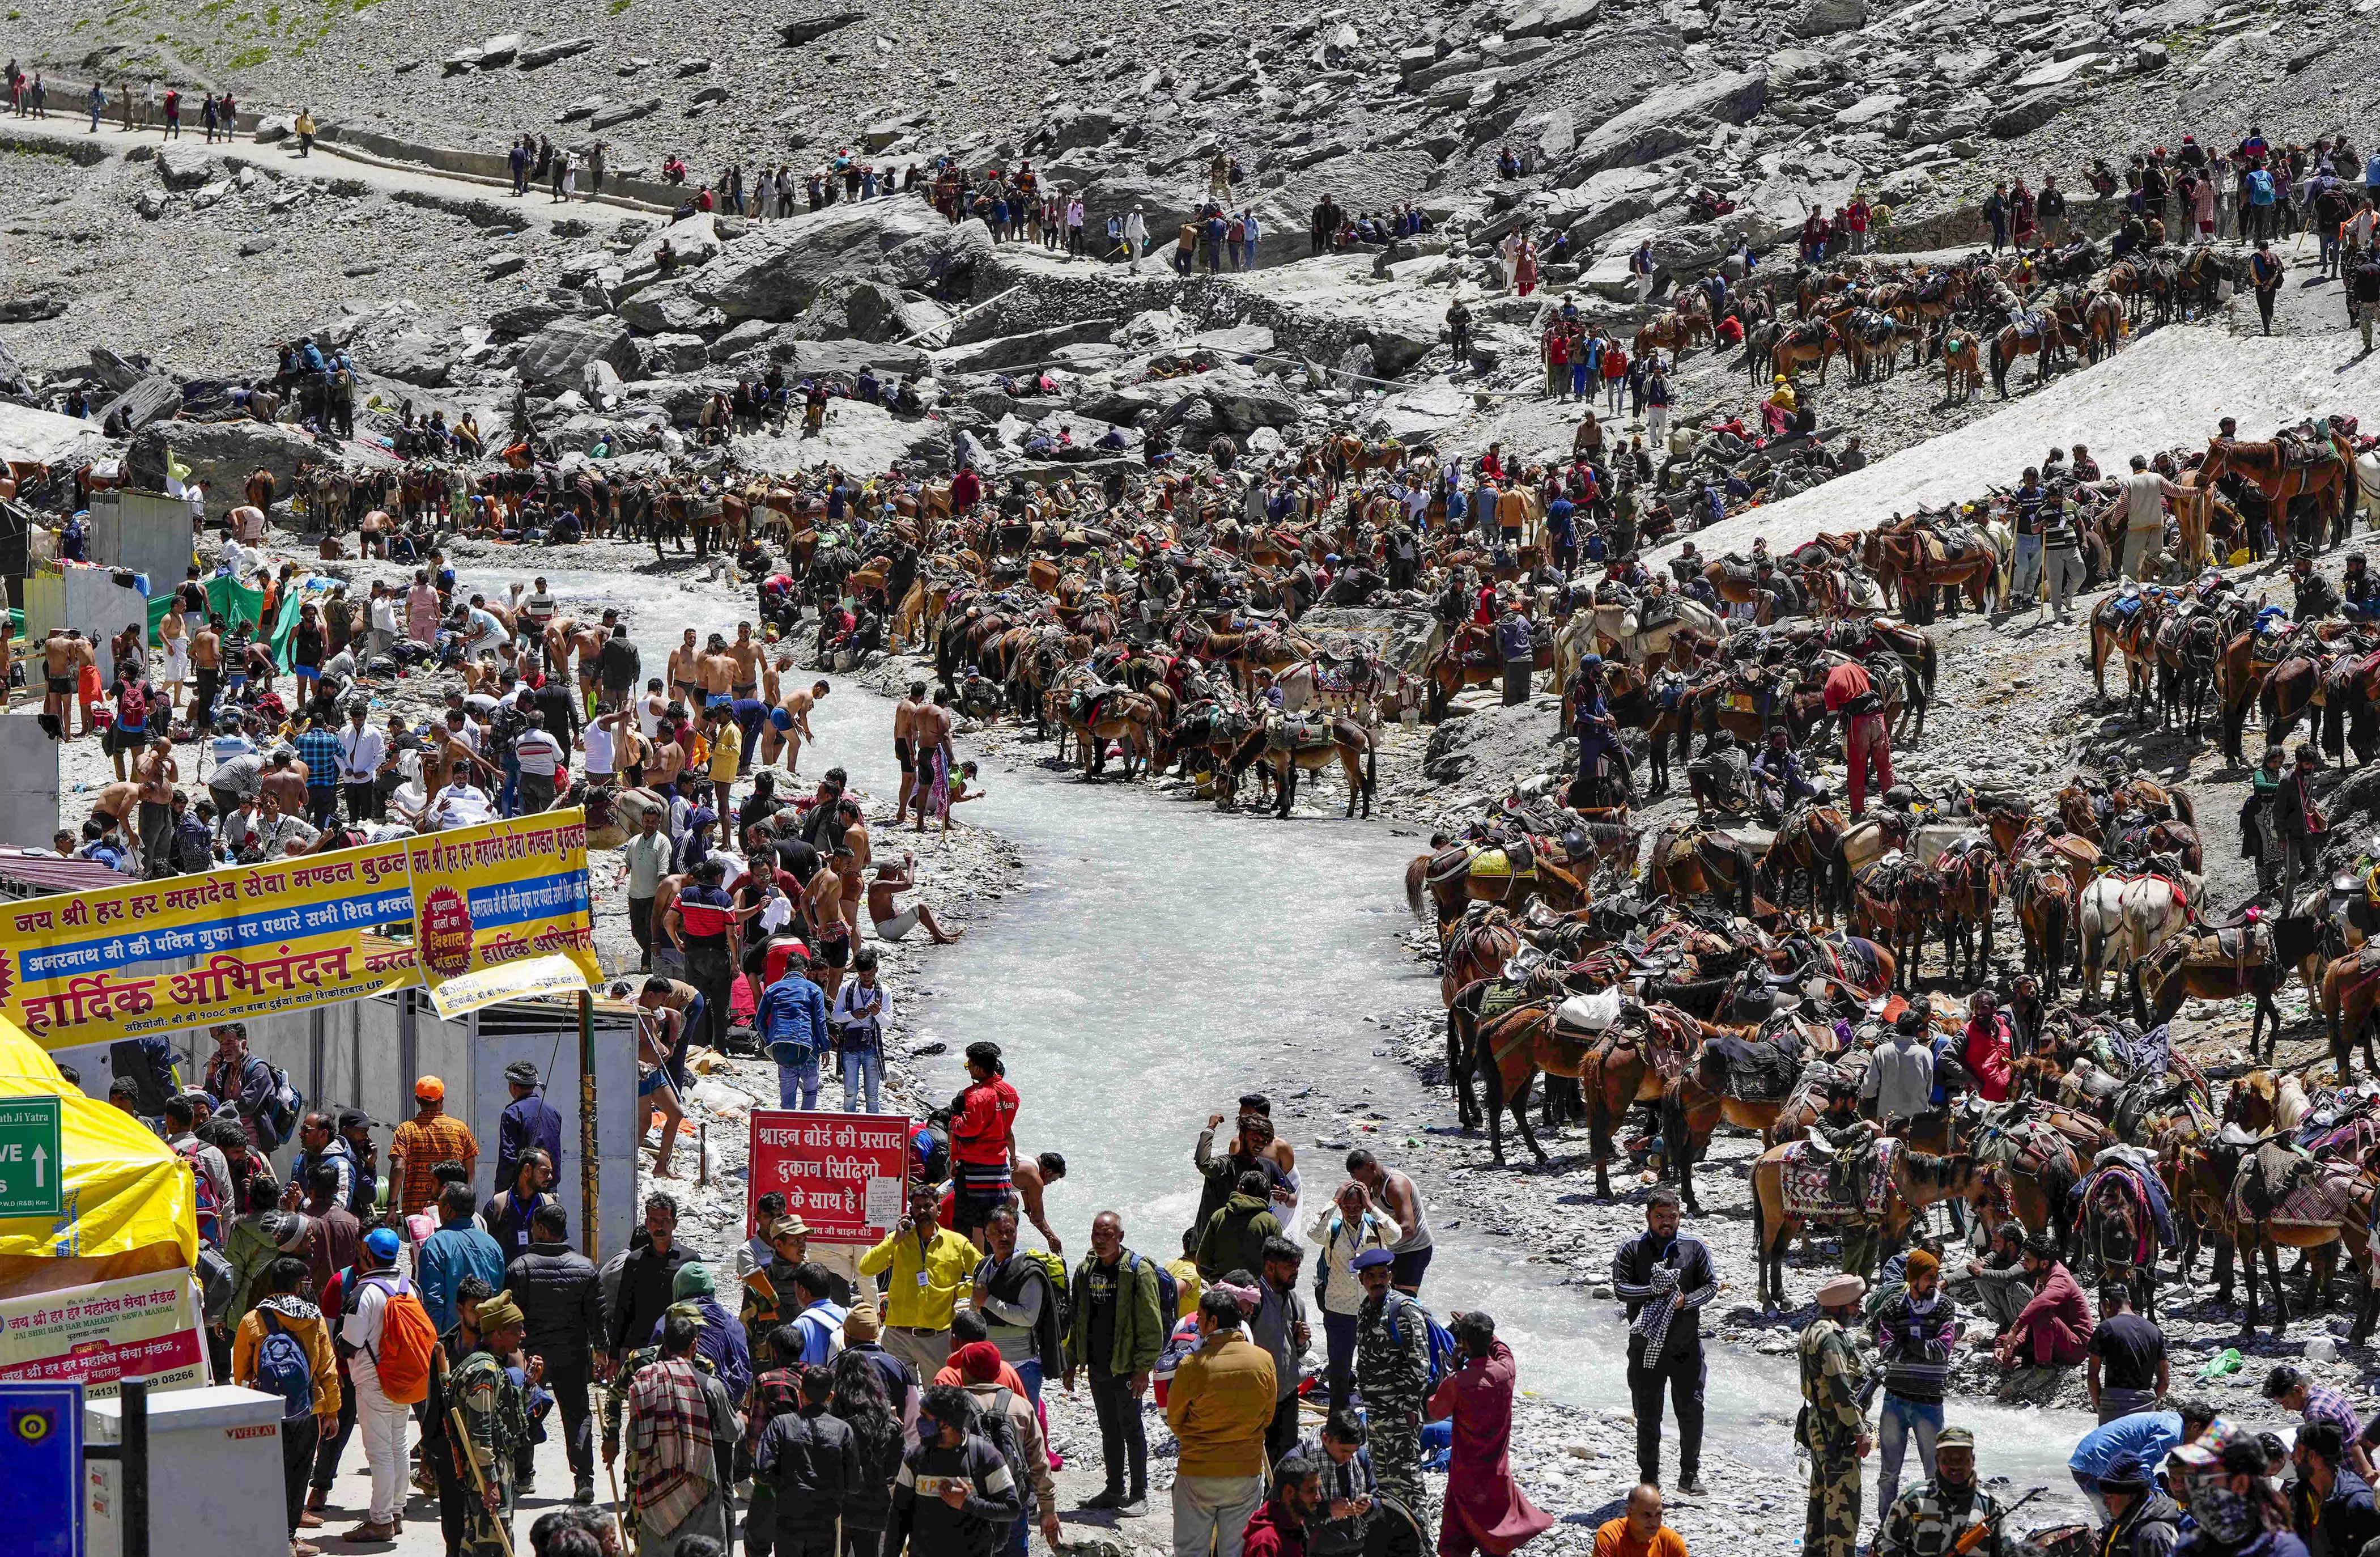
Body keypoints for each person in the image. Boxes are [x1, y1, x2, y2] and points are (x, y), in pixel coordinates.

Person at [232, 1255, 341, 1557]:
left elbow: (241, 1373)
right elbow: (327, 1369)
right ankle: (289, 1540)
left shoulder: (252, 1320)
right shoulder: (314, 1318)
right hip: (306, 1410)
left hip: (266, 1411)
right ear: (296, 1286)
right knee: (297, 1474)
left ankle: (265, 1536)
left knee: (269, 1473)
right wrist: (332, 1412)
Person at [1610, 1189, 1712, 1495]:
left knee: (1692, 1410)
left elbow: (1711, 1286)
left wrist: (1684, 1301)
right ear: (1648, 1217)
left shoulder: (1694, 1248)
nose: (1667, 1223)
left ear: (1680, 1216)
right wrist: (1653, 1292)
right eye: (1660, 1217)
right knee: (1648, 1414)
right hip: (1645, 1349)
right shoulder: (1631, 1249)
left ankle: (1689, 1475)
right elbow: (1621, 1289)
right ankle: (1650, 1478)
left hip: (1686, 1347)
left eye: (1672, 1217)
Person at [1427, 1311, 1551, 1557]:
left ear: (1462, 1344)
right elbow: (1504, 1351)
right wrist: (1486, 1335)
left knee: (1456, 1545)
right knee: (1496, 1539)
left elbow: (1435, 1410)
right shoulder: (1506, 1373)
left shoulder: (1458, 1382)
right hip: (1497, 1474)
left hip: (1465, 1477)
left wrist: (1453, 1369)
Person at [1168, 1283, 1278, 1557]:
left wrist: (1197, 1440)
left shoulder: (1192, 1365)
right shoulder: (1264, 1360)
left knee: (1191, 1550)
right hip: (1246, 1471)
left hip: (1198, 1472)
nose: (1199, 1326)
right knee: (1238, 1550)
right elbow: (1267, 1415)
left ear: (1213, 1321)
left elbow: (1175, 1419)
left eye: (1201, 1319)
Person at [1066, 1210, 1163, 1517]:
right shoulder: (1086, 1270)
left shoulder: (1137, 1271)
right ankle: (1113, 1489)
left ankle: (1139, 1494)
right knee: (1109, 1429)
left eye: (1107, 1235)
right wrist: (1071, 1363)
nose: (1101, 1240)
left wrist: (1143, 1369)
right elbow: (1077, 1319)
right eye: (1097, 1234)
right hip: (1097, 1365)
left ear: (1120, 1237)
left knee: (1131, 1428)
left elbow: (1151, 1324)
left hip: (1126, 1368)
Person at [623, 1310, 742, 1555]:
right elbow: (731, 1434)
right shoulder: (711, 1386)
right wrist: (743, 1421)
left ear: (664, 1346)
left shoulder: (645, 1384)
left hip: (656, 1493)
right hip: (702, 1494)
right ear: (694, 1345)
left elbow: (633, 1441)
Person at [507, 1201, 601, 1504]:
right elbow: (597, 1318)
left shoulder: (520, 1268)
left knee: (524, 1411)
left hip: (533, 1356)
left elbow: (513, 1317)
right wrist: (602, 1351)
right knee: (578, 1416)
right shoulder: (586, 1268)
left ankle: (524, 1475)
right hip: (573, 1355)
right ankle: (584, 1479)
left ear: (543, 1230)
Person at [335, 1227, 415, 1543]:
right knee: (399, 1444)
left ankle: (381, 1520)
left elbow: (351, 1342)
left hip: (373, 1380)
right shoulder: (410, 1287)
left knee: (380, 1452)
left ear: (368, 1254)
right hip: (405, 1380)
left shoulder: (364, 1291)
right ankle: (396, 1511)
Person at [857, 1182, 977, 1380]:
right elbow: (866, 1268)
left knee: (938, 1399)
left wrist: (960, 1291)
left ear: (938, 1209)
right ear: (910, 1211)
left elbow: (985, 1274)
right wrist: (894, 1240)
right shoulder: (899, 1240)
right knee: (898, 1397)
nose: (922, 1211)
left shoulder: (957, 1243)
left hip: (937, 1338)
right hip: (897, 1337)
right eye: (917, 1207)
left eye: (927, 1206)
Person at [1868, 1249, 1956, 1519]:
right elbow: (1886, 1349)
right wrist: (1920, 1350)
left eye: (1936, 1276)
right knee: (1888, 1474)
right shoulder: (1893, 1307)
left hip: (1929, 1402)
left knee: (1934, 1473)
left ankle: (1931, 1531)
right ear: (1914, 1278)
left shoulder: (1944, 1307)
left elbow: (1943, 1348)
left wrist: (1909, 1344)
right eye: (1929, 1277)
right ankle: (1887, 1528)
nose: (1934, 1282)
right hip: (1895, 1400)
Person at [891, 1384, 1023, 1557]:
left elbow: (1011, 1509)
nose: (918, 1422)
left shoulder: (986, 1456)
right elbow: (899, 1514)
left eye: (924, 1417)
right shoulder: (915, 1457)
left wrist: (968, 1503)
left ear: (945, 1425)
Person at [450, 1289, 532, 1557]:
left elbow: (502, 1413)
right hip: (486, 1472)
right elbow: (481, 1430)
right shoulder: (485, 1371)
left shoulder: (492, 1366)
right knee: (491, 1544)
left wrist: (528, 1384)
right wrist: (490, 1482)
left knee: (476, 1540)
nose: (523, 1336)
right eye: (516, 1330)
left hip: (492, 1469)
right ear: (497, 1333)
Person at [1799, 1272, 1873, 1557]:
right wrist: (1859, 1430)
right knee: (1843, 1501)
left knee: (1820, 1493)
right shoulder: (1831, 1338)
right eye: (1855, 1304)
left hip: (1816, 1426)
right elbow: (1840, 1389)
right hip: (1836, 1431)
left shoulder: (1811, 1330)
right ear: (1840, 1305)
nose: (1858, 1310)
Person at [1353, 1248, 1431, 1514]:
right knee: (1384, 1485)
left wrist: (1410, 1408)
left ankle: (1421, 1543)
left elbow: (1420, 1363)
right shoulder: (1366, 1309)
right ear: (1362, 1279)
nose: (1377, 1281)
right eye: (1371, 1276)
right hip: (1376, 1415)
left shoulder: (1403, 1309)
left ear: (1391, 1276)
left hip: (1400, 1415)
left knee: (1409, 1484)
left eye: (1382, 1275)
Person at [752, 1363, 860, 1557]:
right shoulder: (843, 1430)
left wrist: (784, 1486)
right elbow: (854, 1483)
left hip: (788, 1519)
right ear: (830, 1397)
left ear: (800, 1393)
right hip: (824, 1523)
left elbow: (761, 1470)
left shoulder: (781, 1425)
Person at [1307, 1180, 1395, 1412]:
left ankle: (1378, 1412)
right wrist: (1333, 1202)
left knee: (1379, 1364)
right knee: (1339, 1367)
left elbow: (1396, 1235)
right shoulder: (1333, 1229)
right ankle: (1338, 1418)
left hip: (1374, 1306)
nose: (1353, 1212)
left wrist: (1371, 1206)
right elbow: (1313, 1232)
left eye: (1357, 1207)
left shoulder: (1376, 1226)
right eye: (1348, 1208)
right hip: (1339, 1309)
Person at [1872, 1426, 2015, 1557]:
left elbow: (2008, 1550)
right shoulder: (1914, 1499)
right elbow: (1886, 1541)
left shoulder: (1991, 1506)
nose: (1955, 1466)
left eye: (1962, 1459)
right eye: (1947, 1460)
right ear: (1937, 1460)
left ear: (1973, 1460)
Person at [2168, 1431, 2308, 1557]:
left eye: (2203, 1479)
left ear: (2241, 1483)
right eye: (2191, 1479)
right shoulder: (2189, 1544)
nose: (2190, 1488)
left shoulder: (2283, 1550)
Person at [2071, 1403, 2213, 1521]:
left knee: (2123, 1517)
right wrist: (2165, 1501)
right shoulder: (2172, 1434)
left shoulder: (2171, 1420)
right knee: (2116, 1520)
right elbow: (2143, 1470)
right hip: (2093, 1465)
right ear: (2195, 1427)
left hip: (2088, 1459)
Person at [1250, 1237, 1314, 1469]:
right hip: (1257, 1398)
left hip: (1287, 1395)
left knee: (1286, 1460)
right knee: (1257, 1463)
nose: (1295, 1273)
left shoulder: (1296, 1302)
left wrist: (1301, 1342)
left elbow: (1299, 1352)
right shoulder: (1252, 1301)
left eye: (1297, 1267)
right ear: (1269, 1267)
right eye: (1289, 1267)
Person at [418, 1181, 508, 1335]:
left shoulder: (436, 1244)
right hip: (488, 1339)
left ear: (447, 1210)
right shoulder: (493, 1245)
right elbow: (499, 1296)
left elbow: (433, 1301)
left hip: (452, 1342)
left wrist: (437, 1346)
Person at [390, 1074, 478, 1220]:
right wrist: (459, 1197)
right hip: (452, 1208)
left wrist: (392, 1206)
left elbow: (398, 1168)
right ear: (442, 1099)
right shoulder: (460, 1129)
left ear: (417, 1100)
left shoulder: (406, 1130)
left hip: (416, 1212)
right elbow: (469, 1171)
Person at [1345, 1148, 1431, 1293]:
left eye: (1360, 1179)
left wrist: (1370, 1206)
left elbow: (1409, 1229)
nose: (1359, 1184)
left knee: (1404, 1300)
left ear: (1372, 1167)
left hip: (1413, 1250)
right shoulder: (1371, 1183)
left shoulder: (1395, 1186)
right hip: (1391, 1249)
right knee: (1383, 1298)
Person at [2089, 1284, 2169, 1422]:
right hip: (2145, 1411)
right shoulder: (2154, 1331)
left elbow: (2092, 1376)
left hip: (2112, 1409)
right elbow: (2165, 1381)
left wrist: (2099, 1406)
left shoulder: (2105, 1328)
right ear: (2130, 1303)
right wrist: (2149, 1403)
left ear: (2107, 1304)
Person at [1822, 659, 1892, 814]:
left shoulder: (1829, 686)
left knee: (1856, 769)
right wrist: (1879, 701)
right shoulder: (1851, 665)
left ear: (1821, 674)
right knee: (1884, 764)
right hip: (1877, 717)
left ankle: (1858, 812)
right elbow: (1874, 679)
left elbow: (1830, 720)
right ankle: (1893, 804)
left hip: (1858, 724)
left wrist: (1817, 738)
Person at [494, 1058, 563, 1194]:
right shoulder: (553, 1112)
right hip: (548, 1189)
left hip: (523, 1192)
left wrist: (501, 1189)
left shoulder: (512, 1113)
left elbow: (508, 1157)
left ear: (513, 1086)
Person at [2094, 1456, 2183, 1557]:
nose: (2105, 1502)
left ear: (2131, 1497)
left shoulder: (2154, 1533)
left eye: (2110, 1497)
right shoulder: (2122, 1522)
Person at [1593, 1485, 1686, 1557]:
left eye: (1658, 1514)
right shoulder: (1610, 1535)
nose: (1654, 1522)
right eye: (1647, 1515)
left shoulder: (1671, 1542)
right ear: (1629, 1514)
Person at [2251, 239, 2286, 334]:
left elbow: (2253, 271)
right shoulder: (2274, 256)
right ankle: (2269, 326)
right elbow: (2281, 269)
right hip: (2272, 285)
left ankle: (2266, 330)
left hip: (2260, 285)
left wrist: (2262, 282)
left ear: (2259, 248)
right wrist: (2270, 282)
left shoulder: (2256, 257)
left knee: (2262, 308)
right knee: (2270, 306)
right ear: (2268, 247)